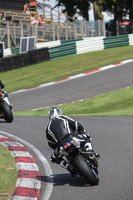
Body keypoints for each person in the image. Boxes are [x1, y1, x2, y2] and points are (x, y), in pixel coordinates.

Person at [45, 107, 100, 176]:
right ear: (60, 113)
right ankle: (90, 151)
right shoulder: (63, 118)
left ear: (49, 116)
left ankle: (67, 166)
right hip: (72, 138)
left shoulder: (47, 127)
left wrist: (57, 147)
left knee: (53, 158)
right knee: (87, 136)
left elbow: (51, 143)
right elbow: (77, 125)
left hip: (61, 145)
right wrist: (82, 132)